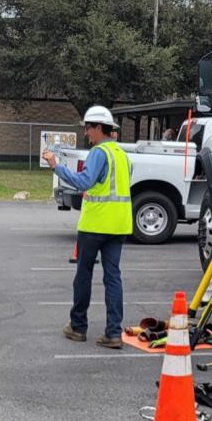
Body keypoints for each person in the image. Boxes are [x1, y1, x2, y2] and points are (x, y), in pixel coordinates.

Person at [42, 105, 132, 349]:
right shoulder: (122, 155)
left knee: (83, 276)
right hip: (119, 225)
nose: (86, 133)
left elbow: (85, 181)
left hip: (95, 225)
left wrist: (56, 166)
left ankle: (78, 327)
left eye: (88, 128)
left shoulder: (98, 153)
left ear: (99, 128)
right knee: (113, 277)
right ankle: (114, 332)